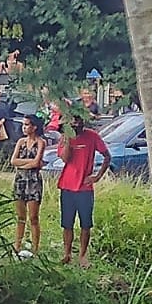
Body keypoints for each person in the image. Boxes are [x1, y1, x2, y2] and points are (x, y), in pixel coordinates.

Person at [55, 112, 112, 267]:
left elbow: (107, 156)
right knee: (67, 223)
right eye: (73, 122)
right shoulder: (64, 138)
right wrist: (68, 138)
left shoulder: (92, 136)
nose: (76, 124)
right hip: (67, 185)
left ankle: (82, 255)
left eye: (78, 121)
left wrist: (97, 176)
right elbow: (65, 158)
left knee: (86, 224)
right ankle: (67, 254)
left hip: (85, 187)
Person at [9, 116, 48, 259]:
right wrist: (29, 163)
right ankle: (17, 245)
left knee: (33, 217)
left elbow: (37, 162)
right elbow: (13, 161)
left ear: (34, 127)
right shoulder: (21, 142)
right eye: (23, 125)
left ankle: (35, 248)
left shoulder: (40, 142)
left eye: (27, 125)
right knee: (20, 216)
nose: (24, 128)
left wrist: (24, 164)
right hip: (20, 180)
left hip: (33, 181)